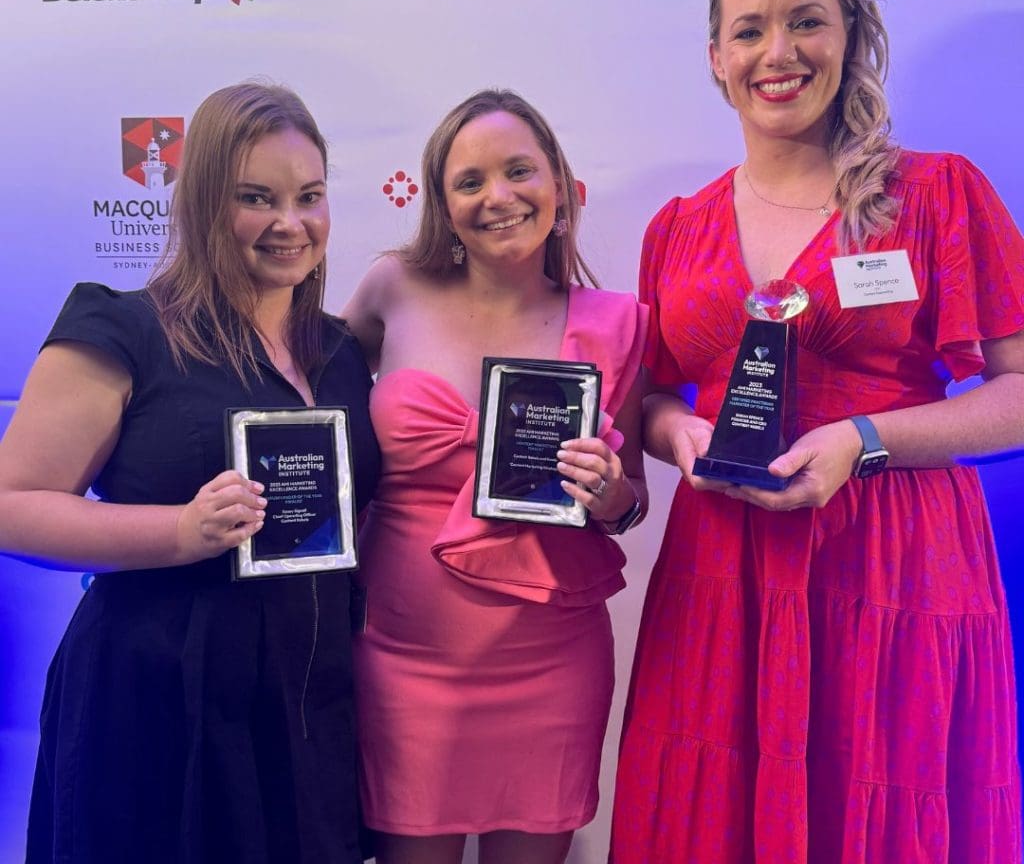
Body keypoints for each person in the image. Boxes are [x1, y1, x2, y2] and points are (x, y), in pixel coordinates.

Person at [611, 0, 1024, 864]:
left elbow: (1015, 391)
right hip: (724, 564)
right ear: (715, 58)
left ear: (852, 37)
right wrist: (682, 441)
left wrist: (863, 441)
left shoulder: (938, 192)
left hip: (896, 560)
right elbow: (654, 398)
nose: (778, 52)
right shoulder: (677, 227)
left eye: (806, 21)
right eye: (748, 30)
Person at [0, 82, 381, 863]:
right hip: (157, 700)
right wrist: (179, 530)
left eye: (308, 196)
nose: (290, 223)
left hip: (309, 701)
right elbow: (12, 504)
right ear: (204, 200)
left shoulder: (341, 351)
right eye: (256, 197)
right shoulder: (125, 328)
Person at [342, 89, 649, 864]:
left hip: (549, 662)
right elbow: (307, 399)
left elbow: (630, 501)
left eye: (519, 171)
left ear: (558, 185)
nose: (498, 197)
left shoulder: (620, 321)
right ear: (442, 206)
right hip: (401, 662)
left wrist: (608, 491)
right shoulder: (391, 289)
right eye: (470, 181)